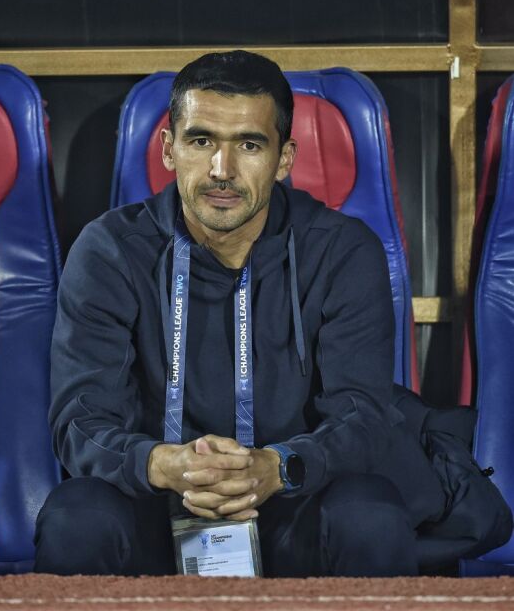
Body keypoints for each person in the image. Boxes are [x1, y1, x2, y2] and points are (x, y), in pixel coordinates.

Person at [34, 50, 429, 577]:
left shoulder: (341, 250)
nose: (222, 170)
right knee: (75, 517)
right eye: (201, 141)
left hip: (292, 502)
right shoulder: (110, 249)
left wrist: (276, 467)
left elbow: (363, 418)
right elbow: (79, 420)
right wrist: (164, 465)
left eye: (249, 144)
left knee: (370, 515)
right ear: (169, 149)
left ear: (284, 159)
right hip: (158, 507)